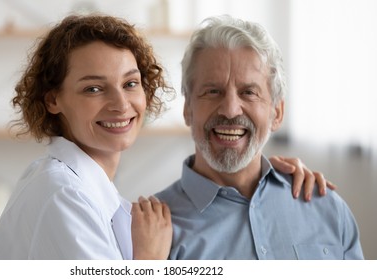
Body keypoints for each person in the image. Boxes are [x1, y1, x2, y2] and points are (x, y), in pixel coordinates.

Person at [0, 13, 336, 260]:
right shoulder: (63, 195)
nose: (121, 104)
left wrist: (263, 176)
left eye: (130, 83)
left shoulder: (322, 205)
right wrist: (150, 261)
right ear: (53, 99)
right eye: (93, 88)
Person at [156, 15, 364, 260]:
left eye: (249, 92)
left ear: (277, 113)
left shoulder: (328, 208)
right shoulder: (152, 233)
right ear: (187, 109)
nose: (231, 109)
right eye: (213, 91)